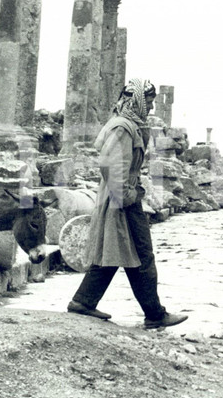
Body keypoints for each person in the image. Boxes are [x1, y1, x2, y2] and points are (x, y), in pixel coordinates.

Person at [67, 78, 188, 329]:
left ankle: (83, 301)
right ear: (138, 101)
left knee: (119, 251)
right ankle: (155, 314)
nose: (152, 108)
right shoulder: (123, 127)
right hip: (120, 199)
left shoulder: (128, 125)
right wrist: (127, 196)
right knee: (141, 254)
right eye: (150, 102)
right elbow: (110, 164)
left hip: (121, 196)